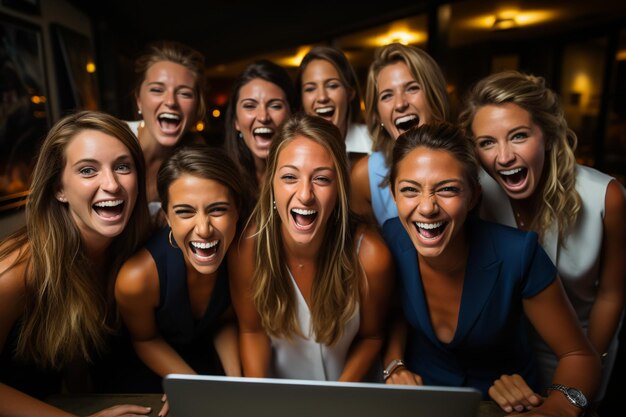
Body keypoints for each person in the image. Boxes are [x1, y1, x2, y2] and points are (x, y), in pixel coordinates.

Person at [382, 121, 601, 416]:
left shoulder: (518, 253)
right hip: (422, 404)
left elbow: (579, 355)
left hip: (507, 406)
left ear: (473, 196)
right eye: (409, 190)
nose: (427, 207)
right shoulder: (391, 239)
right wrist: (394, 365)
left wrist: (555, 408)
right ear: (394, 195)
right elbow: (394, 312)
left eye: (447, 189)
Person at [458, 70, 626, 408]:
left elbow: (611, 294)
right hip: (503, 365)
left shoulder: (605, 196)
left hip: (584, 346)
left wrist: (585, 366)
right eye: (487, 143)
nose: (504, 157)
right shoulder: (474, 196)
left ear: (547, 135)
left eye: (518, 136)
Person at [0, 111, 152, 416]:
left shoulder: (122, 250)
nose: (111, 184)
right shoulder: (16, 272)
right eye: (87, 170)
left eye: (123, 167)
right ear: (58, 188)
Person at [229, 113, 394, 381]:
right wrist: (257, 399)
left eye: (321, 179)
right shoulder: (247, 249)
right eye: (290, 177)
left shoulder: (371, 256)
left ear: (340, 188)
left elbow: (372, 336)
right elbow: (251, 331)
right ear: (271, 185)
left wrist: (336, 399)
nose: (305, 195)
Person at [115, 146, 243, 416]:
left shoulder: (240, 255)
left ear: (237, 210)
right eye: (185, 212)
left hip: (207, 365)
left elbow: (224, 320)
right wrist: (190, 386)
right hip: (147, 377)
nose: (204, 228)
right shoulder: (136, 278)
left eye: (217, 209)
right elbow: (145, 339)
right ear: (167, 216)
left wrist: (236, 380)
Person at [350, 42, 450, 227]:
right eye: (387, 95)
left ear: (434, 96)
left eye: (412, 88)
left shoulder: (469, 162)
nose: (400, 104)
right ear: (378, 114)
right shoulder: (364, 177)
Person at [130, 40, 207, 218]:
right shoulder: (110, 139)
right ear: (139, 100)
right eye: (157, 90)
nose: (171, 102)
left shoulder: (197, 160)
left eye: (184, 93)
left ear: (197, 107)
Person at [224, 59, 296, 207]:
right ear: (236, 121)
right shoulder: (221, 178)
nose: (263, 117)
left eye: (275, 106)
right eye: (250, 106)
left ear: (292, 115)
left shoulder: (306, 178)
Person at [295, 45, 372, 167]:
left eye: (332, 86)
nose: (322, 97)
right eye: (310, 89)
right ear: (302, 99)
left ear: (350, 92)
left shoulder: (374, 144)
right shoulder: (293, 151)